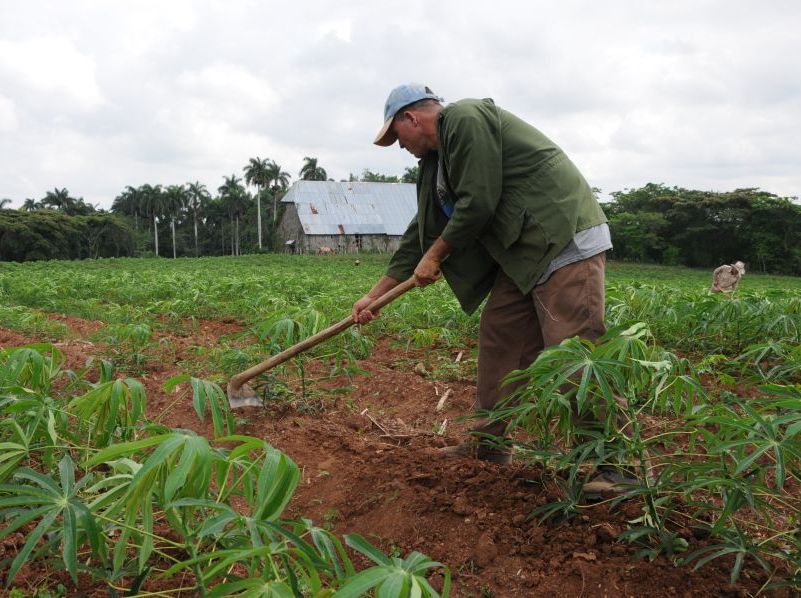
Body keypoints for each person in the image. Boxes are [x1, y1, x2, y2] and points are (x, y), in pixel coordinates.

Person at [352, 83, 621, 491]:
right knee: (501, 341)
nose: (398, 146)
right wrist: (375, 295)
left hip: (561, 237)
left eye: (396, 136)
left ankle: (614, 466)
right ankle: (489, 444)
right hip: (522, 255)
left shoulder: (464, 118)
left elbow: (479, 201)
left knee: (575, 352)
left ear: (412, 117)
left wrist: (437, 256)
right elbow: (420, 234)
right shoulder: (434, 164)